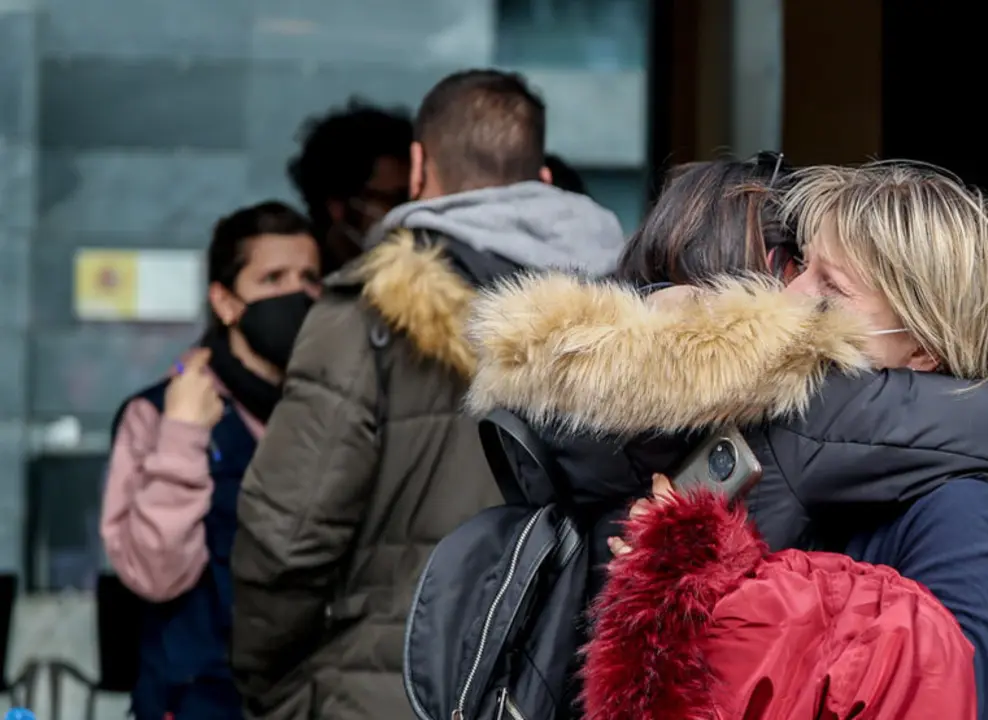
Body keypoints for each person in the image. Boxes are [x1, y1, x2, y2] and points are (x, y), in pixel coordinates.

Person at [464, 161, 988, 719]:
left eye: (831, 286)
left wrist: (716, 576)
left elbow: (938, 691)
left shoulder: (960, 511)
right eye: (801, 266)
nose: (790, 298)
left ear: (923, 348)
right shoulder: (782, 438)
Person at [230, 69, 628, 720]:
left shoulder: (366, 313)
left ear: (417, 168)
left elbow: (288, 535)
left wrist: (271, 686)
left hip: (384, 692)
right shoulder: (629, 316)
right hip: (558, 693)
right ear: (543, 182)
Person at [100, 202, 320, 720]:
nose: (298, 293)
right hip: (195, 700)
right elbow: (155, 574)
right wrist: (182, 436)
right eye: (272, 278)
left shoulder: (329, 416)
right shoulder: (155, 415)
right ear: (226, 301)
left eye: (310, 278)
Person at [287, 98, 413, 274]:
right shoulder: (299, 284)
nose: (410, 214)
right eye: (396, 200)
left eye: (416, 200)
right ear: (337, 206)